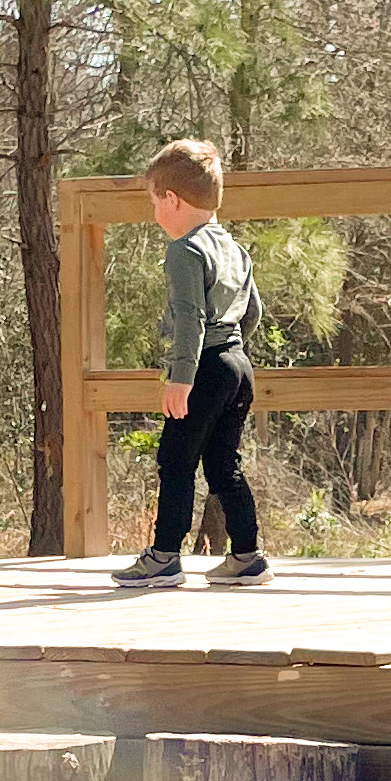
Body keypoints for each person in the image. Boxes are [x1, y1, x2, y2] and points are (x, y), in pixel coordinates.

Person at [115, 137, 266, 588]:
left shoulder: (185, 250)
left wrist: (181, 378)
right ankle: (247, 554)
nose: (154, 212)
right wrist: (231, 354)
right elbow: (253, 311)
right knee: (223, 463)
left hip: (203, 365)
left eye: (154, 201)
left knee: (176, 459)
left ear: (172, 199)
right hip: (237, 364)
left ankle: (164, 556)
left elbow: (190, 318)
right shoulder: (235, 249)